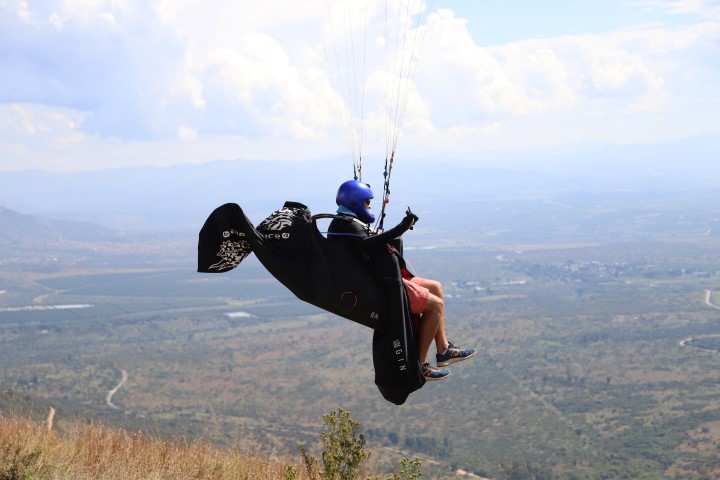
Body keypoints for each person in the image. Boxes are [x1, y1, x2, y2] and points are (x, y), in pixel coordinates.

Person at [327, 180, 476, 381]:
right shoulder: (345, 224)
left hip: (381, 277)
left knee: (435, 287)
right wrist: (401, 228)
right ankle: (420, 366)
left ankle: (443, 350)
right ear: (355, 202)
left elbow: (365, 244)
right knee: (436, 306)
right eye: (367, 202)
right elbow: (366, 244)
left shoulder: (346, 222)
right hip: (379, 286)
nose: (369, 207)